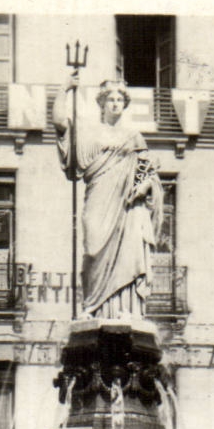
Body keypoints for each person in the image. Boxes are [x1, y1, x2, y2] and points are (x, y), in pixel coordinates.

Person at [54, 73, 164, 319]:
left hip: (126, 207)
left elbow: (149, 171)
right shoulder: (89, 132)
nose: (115, 103)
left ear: (124, 105)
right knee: (93, 248)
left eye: (119, 100)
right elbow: (61, 124)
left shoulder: (133, 137)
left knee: (127, 251)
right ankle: (91, 306)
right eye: (110, 99)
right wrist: (64, 88)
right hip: (98, 198)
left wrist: (144, 187)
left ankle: (125, 309)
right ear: (101, 103)